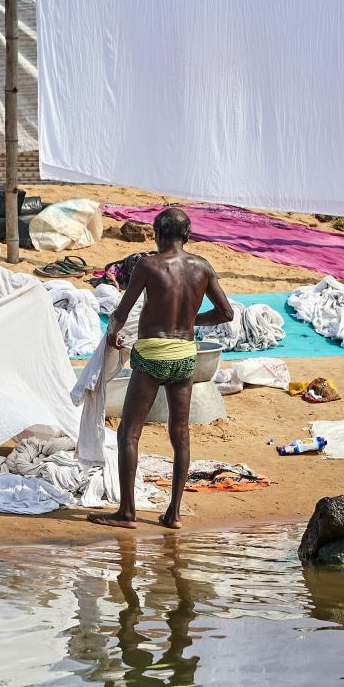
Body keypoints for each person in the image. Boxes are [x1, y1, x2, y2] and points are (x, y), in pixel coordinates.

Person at [88, 208, 233, 530]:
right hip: (185, 355)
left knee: (129, 432)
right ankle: (174, 513)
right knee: (180, 434)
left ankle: (127, 512)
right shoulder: (202, 267)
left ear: (156, 234)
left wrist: (113, 335)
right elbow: (225, 313)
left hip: (152, 354)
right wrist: (191, 321)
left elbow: (123, 311)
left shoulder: (148, 265)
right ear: (187, 234)